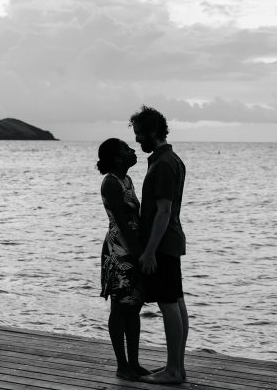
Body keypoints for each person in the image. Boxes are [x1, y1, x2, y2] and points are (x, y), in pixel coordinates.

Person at [129, 106, 188, 385]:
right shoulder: (169, 159)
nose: (138, 140)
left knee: (168, 303)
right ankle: (177, 367)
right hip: (171, 239)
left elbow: (163, 211)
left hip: (163, 242)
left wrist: (150, 250)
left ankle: (173, 370)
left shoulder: (164, 164)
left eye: (140, 134)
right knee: (175, 301)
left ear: (153, 131)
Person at [97, 138, 151, 381]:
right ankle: (122, 365)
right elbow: (121, 221)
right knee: (120, 308)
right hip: (120, 250)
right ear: (117, 158)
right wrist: (140, 253)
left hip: (132, 246)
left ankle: (134, 363)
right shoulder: (110, 182)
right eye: (127, 149)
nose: (132, 151)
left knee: (134, 305)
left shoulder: (126, 180)